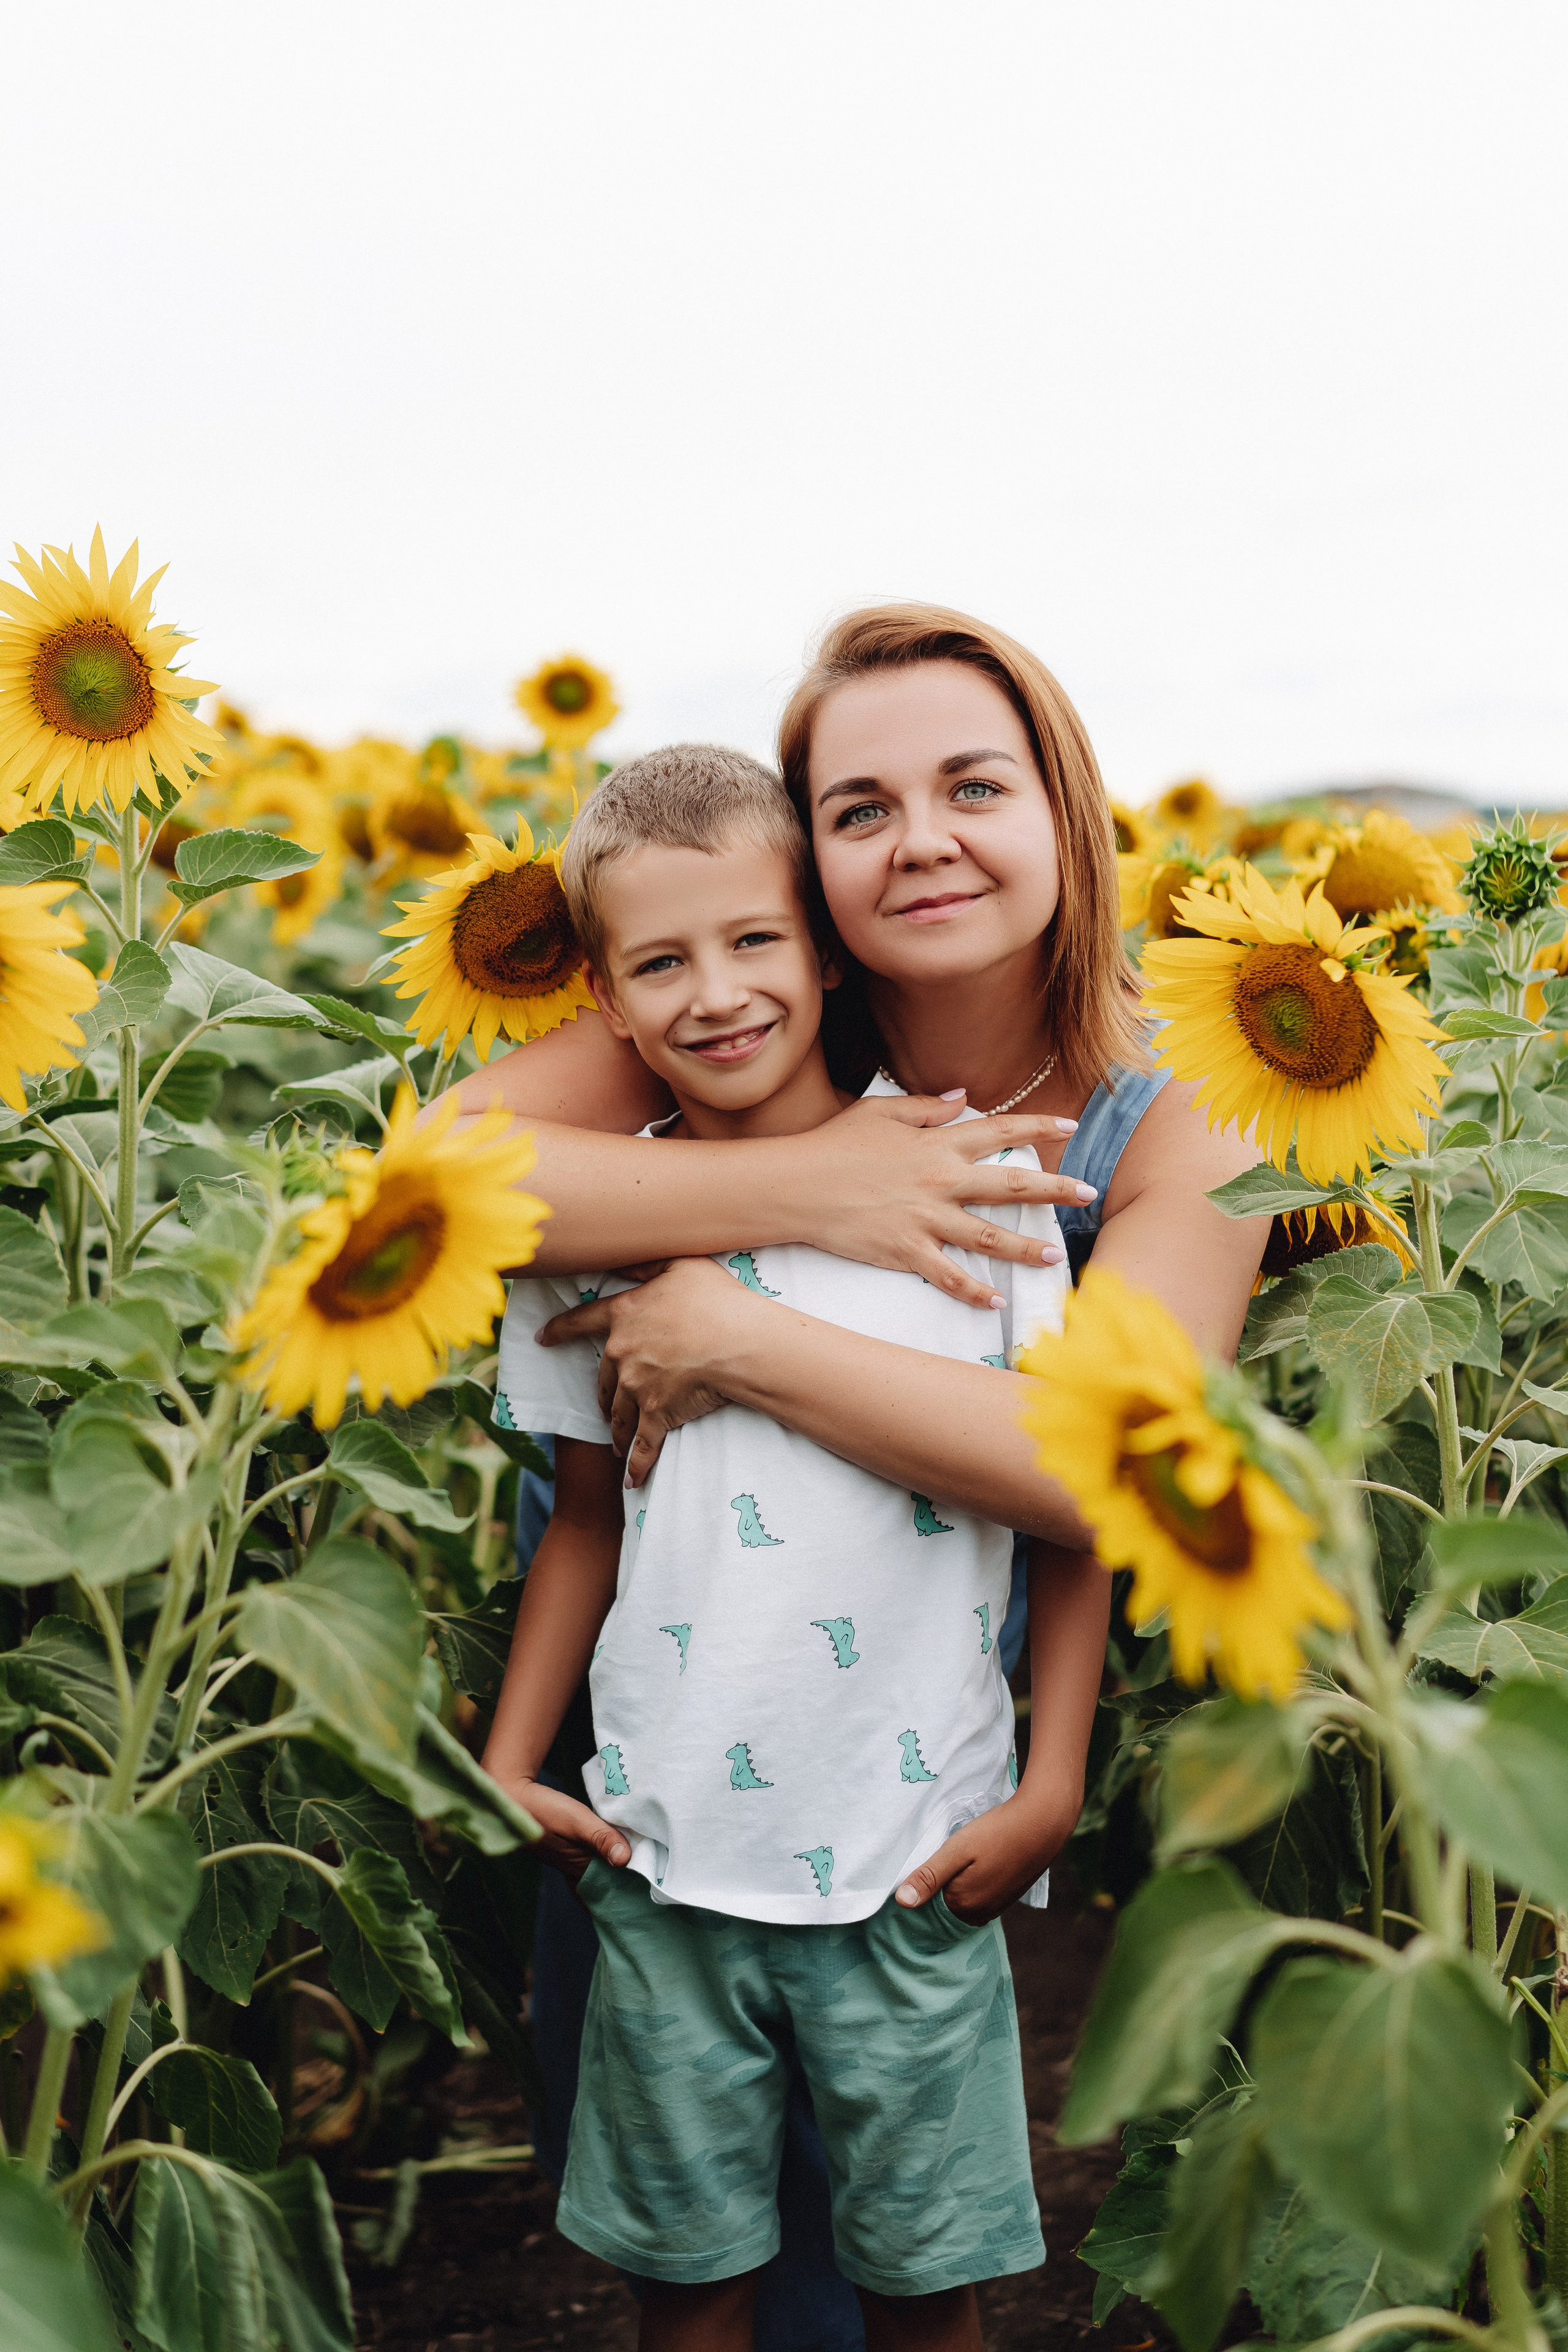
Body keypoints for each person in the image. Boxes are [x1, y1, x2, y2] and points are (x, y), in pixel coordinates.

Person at [481, 743, 1114, 2352]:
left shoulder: (972, 1191)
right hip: (667, 1853)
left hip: (913, 1859)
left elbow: (1062, 1521)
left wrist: (1055, 1782)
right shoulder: (597, 1231)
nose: (716, 993)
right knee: (687, 2288)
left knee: (930, 2290)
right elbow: (585, 1523)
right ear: (610, 1008)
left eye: (754, 941)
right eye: (662, 962)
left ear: (823, 952)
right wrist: (505, 1757)